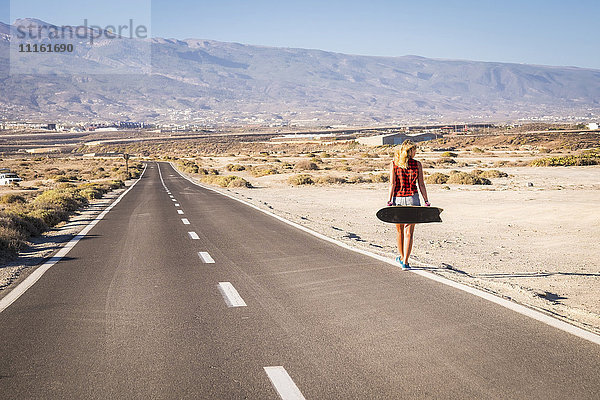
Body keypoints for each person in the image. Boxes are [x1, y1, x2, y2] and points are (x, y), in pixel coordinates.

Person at [387, 140, 430, 270]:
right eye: (415, 150)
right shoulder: (417, 164)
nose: (416, 152)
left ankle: (401, 257)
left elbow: (392, 184)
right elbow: (421, 184)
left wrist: (389, 200)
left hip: (398, 199)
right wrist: (426, 200)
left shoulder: (394, 164)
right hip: (412, 199)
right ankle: (405, 261)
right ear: (410, 151)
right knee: (409, 232)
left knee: (399, 231)